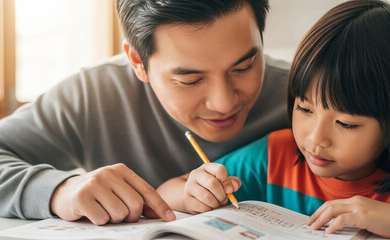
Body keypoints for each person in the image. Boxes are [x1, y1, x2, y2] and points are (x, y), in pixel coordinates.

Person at [0, 0, 290, 225]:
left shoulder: (306, 96)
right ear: (138, 62)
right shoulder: (95, 94)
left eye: (244, 66)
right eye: (189, 79)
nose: (223, 102)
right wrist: (58, 192)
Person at [157, 0, 390, 237]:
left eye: (345, 123)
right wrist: (192, 194)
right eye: (305, 109)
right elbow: (166, 193)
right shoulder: (275, 157)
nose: (316, 138)